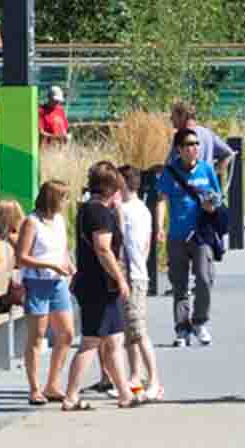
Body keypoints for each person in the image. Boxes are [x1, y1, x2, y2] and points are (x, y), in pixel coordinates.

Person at [64, 164, 138, 412]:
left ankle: (125, 393)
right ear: (112, 187)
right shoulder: (99, 213)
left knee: (114, 339)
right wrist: (120, 278)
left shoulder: (89, 209)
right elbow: (103, 248)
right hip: (100, 285)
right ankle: (71, 395)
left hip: (95, 284)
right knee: (91, 341)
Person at [13, 180, 79, 405]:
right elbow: (21, 257)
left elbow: (61, 249)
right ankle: (34, 388)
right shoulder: (32, 222)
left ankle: (52, 383)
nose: (66, 203)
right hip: (37, 282)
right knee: (37, 336)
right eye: (63, 198)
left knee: (67, 333)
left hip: (58, 282)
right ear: (53, 199)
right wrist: (49, 266)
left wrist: (68, 263)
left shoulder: (59, 221)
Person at [160, 127, 224, 347]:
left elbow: (218, 197)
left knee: (205, 279)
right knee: (179, 284)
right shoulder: (170, 172)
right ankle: (182, 328)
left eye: (196, 144)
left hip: (201, 234)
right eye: (189, 144)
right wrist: (160, 226)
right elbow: (161, 198)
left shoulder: (206, 170)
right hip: (177, 235)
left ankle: (199, 321)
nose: (194, 148)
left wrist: (211, 205)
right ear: (179, 149)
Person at [114, 162, 161, 403]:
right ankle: (135, 376)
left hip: (133, 274)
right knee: (129, 331)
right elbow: (145, 244)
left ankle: (155, 380)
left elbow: (124, 242)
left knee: (138, 330)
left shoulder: (127, 210)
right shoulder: (142, 209)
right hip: (136, 271)